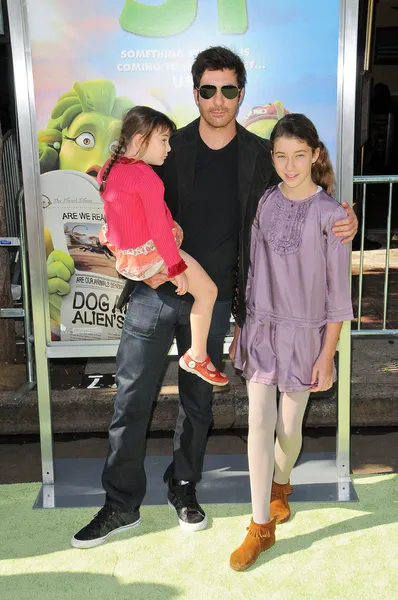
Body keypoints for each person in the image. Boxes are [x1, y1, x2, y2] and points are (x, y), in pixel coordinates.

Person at [71, 47, 358, 550]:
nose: (219, 100)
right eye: (208, 89)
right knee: (130, 399)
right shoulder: (168, 146)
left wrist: (344, 217)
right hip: (153, 288)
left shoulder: (259, 155)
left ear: (241, 93)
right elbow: (121, 193)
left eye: (229, 89)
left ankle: (183, 487)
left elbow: (302, 193)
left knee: (197, 403)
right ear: (195, 92)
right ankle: (120, 505)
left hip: (216, 297)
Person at [229, 114, 354, 572]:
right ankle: (260, 526)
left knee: (288, 427)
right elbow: (253, 270)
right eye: (281, 155)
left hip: (306, 335)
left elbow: (339, 295)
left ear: (315, 155)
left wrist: (328, 354)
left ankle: (281, 484)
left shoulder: (333, 215)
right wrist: (242, 326)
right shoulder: (264, 201)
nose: (289, 164)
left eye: (299, 154)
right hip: (261, 328)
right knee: (258, 424)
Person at [97, 106, 228, 387]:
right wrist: (175, 267)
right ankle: (198, 355)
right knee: (208, 291)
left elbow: (125, 212)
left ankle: (197, 355)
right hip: (154, 254)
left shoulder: (109, 168)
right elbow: (157, 229)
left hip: (129, 257)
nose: (169, 148)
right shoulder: (147, 178)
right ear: (141, 138)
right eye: (164, 140)